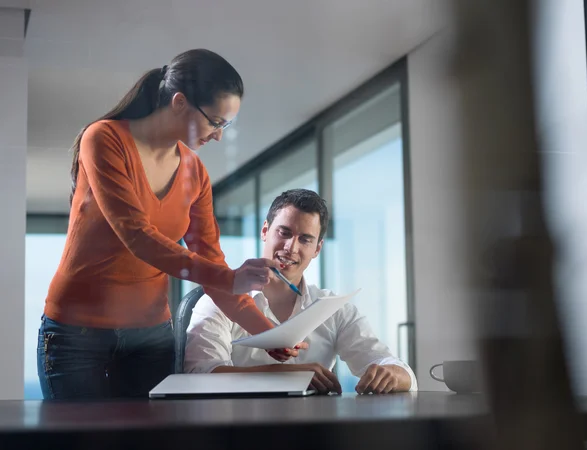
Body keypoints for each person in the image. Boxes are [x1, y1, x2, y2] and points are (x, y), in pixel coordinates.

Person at [37, 49, 303, 400]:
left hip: (151, 336)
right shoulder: (104, 138)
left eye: (227, 125)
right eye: (216, 122)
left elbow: (212, 266)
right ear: (179, 103)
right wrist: (230, 278)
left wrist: (270, 335)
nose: (220, 136)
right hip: (76, 333)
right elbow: (137, 236)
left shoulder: (196, 173)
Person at [185, 189, 417, 394]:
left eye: (305, 239)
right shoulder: (217, 301)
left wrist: (393, 374)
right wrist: (284, 374)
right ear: (265, 231)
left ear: (317, 249)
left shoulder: (334, 309)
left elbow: (391, 365)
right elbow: (201, 375)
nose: (291, 247)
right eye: (284, 233)